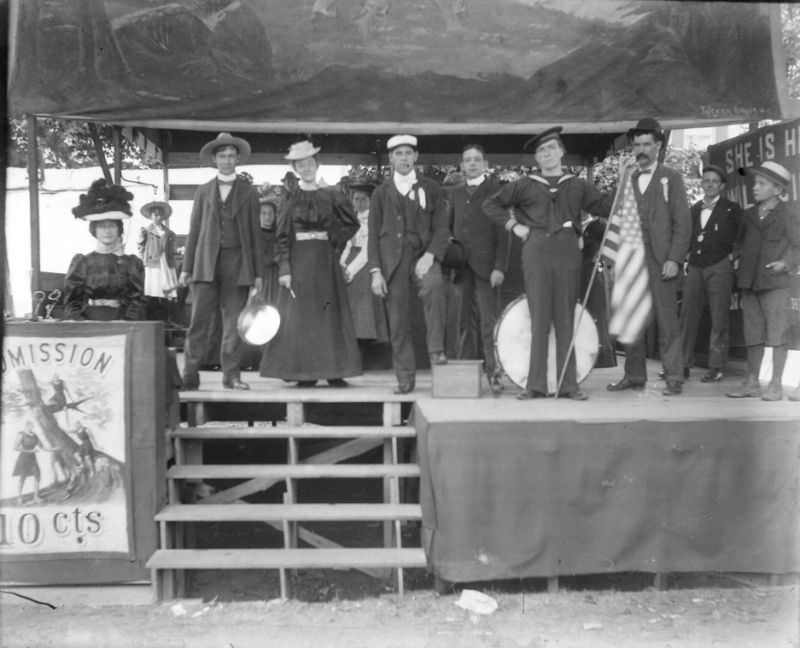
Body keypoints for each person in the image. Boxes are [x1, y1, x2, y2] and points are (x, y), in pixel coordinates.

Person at [483, 127, 612, 400]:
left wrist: (624, 187)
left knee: (566, 316)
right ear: (537, 158)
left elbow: (604, 207)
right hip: (536, 249)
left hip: (567, 250)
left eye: (551, 148)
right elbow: (491, 205)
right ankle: (535, 385)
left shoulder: (577, 185)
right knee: (539, 316)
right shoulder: (525, 184)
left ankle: (569, 385)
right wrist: (513, 226)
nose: (547, 154)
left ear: (561, 152)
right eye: (541, 151)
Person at [260, 140, 362, 387]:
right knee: (302, 316)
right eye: (300, 164)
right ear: (295, 168)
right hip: (299, 260)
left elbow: (351, 222)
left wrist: (331, 243)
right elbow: (281, 235)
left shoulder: (332, 195)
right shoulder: (290, 198)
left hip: (325, 260)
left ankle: (334, 371)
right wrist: (284, 268)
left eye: (310, 163)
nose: (306, 168)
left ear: (317, 164)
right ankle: (304, 373)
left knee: (329, 314)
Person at [605, 118, 692, 396]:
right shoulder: (627, 179)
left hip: (660, 260)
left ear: (658, 146)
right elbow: (615, 218)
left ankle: (674, 377)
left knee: (667, 320)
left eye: (646, 144)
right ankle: (634, 375)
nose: (641, 149)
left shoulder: (671, 177)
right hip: (632, 260)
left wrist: (674, 259)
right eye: (637, 144)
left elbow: (683, 222)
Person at [179, 132, 264, 391]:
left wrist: (257, 274)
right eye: (222, 156)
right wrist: (186, 268)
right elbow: (194, 232)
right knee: (198, 323)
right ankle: (190, 376)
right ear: (214, 160)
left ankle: (232, 376)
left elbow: (255, 235)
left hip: (237, 265)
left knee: (234, 324)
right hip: (205, 264)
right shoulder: (203, 192)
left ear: (238, 159)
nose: (227, 160)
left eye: (231, 156)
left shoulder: (249, 192)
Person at [368, 134, 450, 394]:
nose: (404, 158)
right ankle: (405, 377)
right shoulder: (381, 193)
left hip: (423, 255)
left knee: (434, 286)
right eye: (398, 154)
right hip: (393, 261)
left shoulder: (431, 188)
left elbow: (441, 228)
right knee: (398, 320)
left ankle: (436, 350)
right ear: (391, 158)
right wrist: (376, 271)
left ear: (416, 157)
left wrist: (430, 256)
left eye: (408, 153)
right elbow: (372, 234)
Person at [726, 161, 800, 401]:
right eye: (754, 183)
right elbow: (738, 242)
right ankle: (752, 381)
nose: (755, 188)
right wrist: (736, 258)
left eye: (761, 184)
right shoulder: (748, 214)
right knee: (752, 334)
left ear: (778, 190)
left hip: (775, 283)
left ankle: (776, 384)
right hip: (749, 282)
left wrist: (786, 264)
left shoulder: (789, 213)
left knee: (778, 334)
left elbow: (798, 246)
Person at [448, 144, 509, 394]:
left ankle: (494, 373)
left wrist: (499, 267)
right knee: (462, 322)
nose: (472, 164)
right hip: (462, 268)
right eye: (467, 160)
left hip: (487, 268)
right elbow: (450, 228)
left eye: (476, 160)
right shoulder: (457, 193)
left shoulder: (496, 192)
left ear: (485, 164)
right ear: (461, 165)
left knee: (489, 322)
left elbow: (504, 234)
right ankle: (464, 374)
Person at [679, 164, 742, 382]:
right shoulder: (694, 209)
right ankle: (683, 364)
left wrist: (733, 257)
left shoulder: (731, 209)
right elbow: (685, 236)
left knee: (719, 316)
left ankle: (716, 366)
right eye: (706, 180)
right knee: (687, 315)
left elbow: (742, 236)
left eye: (715, 181)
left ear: (722, 186)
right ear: (701, 184)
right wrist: (685, 256)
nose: (710, 185)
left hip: (720, 266)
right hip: (696, 266)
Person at [64, 179, 146, 321]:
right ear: (94, 230)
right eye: (102, 226)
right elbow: (72, 302)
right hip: (88, 322)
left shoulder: (131, 263)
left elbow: (137, 301)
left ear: (119, 229)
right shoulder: (82, 262)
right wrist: (81, 321)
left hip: (121, 321)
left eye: (112, 226)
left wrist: (126, 322)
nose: (107, 231)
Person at [340, 176, 390, 346]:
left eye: (363, 199)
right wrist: (342, 263)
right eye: (356, 199)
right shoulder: (351, 218)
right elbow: (347, 243)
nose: (359, 203)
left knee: (360, 290)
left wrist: (350, 270)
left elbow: (368, 249)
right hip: (351, 258)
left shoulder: (373, 219)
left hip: (366, 260)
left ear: (370, 201)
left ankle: (364, 338)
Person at [138, 200, 179, 321]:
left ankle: (166, 318)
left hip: (166, 263)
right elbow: (140, 247)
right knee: (154, 289)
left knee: (166, 289)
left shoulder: (169, 233)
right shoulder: (146, 231)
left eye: (160, 214)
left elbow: (173, 249)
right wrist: (143, 261)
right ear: (151, 216)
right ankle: (153, 317)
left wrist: (178, 250)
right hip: (153, 263)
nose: (158, 217)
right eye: (155, 215)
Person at [12, 421, 49, 505]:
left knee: (37, 476)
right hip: (23, 458)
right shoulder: (21, 434)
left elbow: (42, 447)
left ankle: (36, 497)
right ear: (26, 426)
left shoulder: (35, 436)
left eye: (32, 427)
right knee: (22, 478)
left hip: (32, 459)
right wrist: (30, 451)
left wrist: (53, 449)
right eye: (30, 427)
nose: (32, 428)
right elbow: (15, 447)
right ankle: (19, 497)